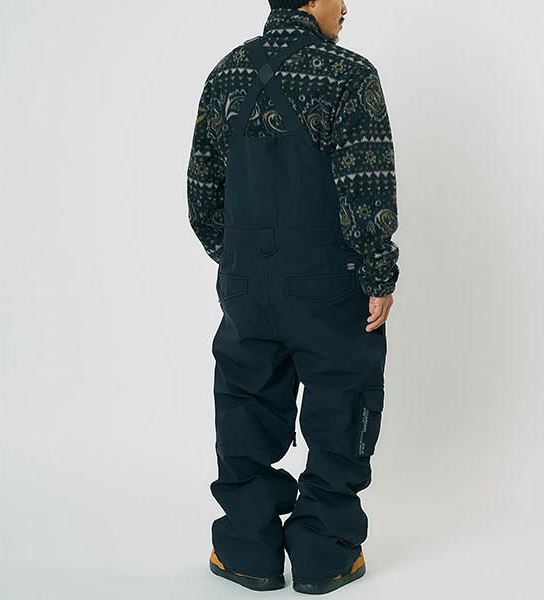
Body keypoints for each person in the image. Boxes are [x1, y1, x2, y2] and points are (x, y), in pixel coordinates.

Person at [186, 0, 399, 594]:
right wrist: (379, 275)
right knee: (342, 405)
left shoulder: (226, 72)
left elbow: (202, 195)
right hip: (328, 282)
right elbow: (367, 186)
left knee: (245, 404)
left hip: (246, 283)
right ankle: (324, 556)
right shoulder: (349, 74)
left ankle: (246, 551)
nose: (345, 6)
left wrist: (241, 260)